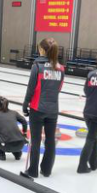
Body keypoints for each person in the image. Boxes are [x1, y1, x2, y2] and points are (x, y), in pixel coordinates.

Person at [21, 38, 64, 178]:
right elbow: (59, 89)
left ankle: (33, 170)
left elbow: (31, 88)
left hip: (37, 108)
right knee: (50, 141)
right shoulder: (61, 68)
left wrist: (25, 104)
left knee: (36, 141)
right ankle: (46, 170)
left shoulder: (37, 66)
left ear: (42, 50)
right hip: (53, 110)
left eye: (39, 48)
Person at [0, 95, 28, 161]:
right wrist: (25, 133)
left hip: (5, 146)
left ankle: (0, 153)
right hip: (20, 145)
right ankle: (17, 153)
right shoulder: (14, 113)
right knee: (11, 129)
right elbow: (24, 121)